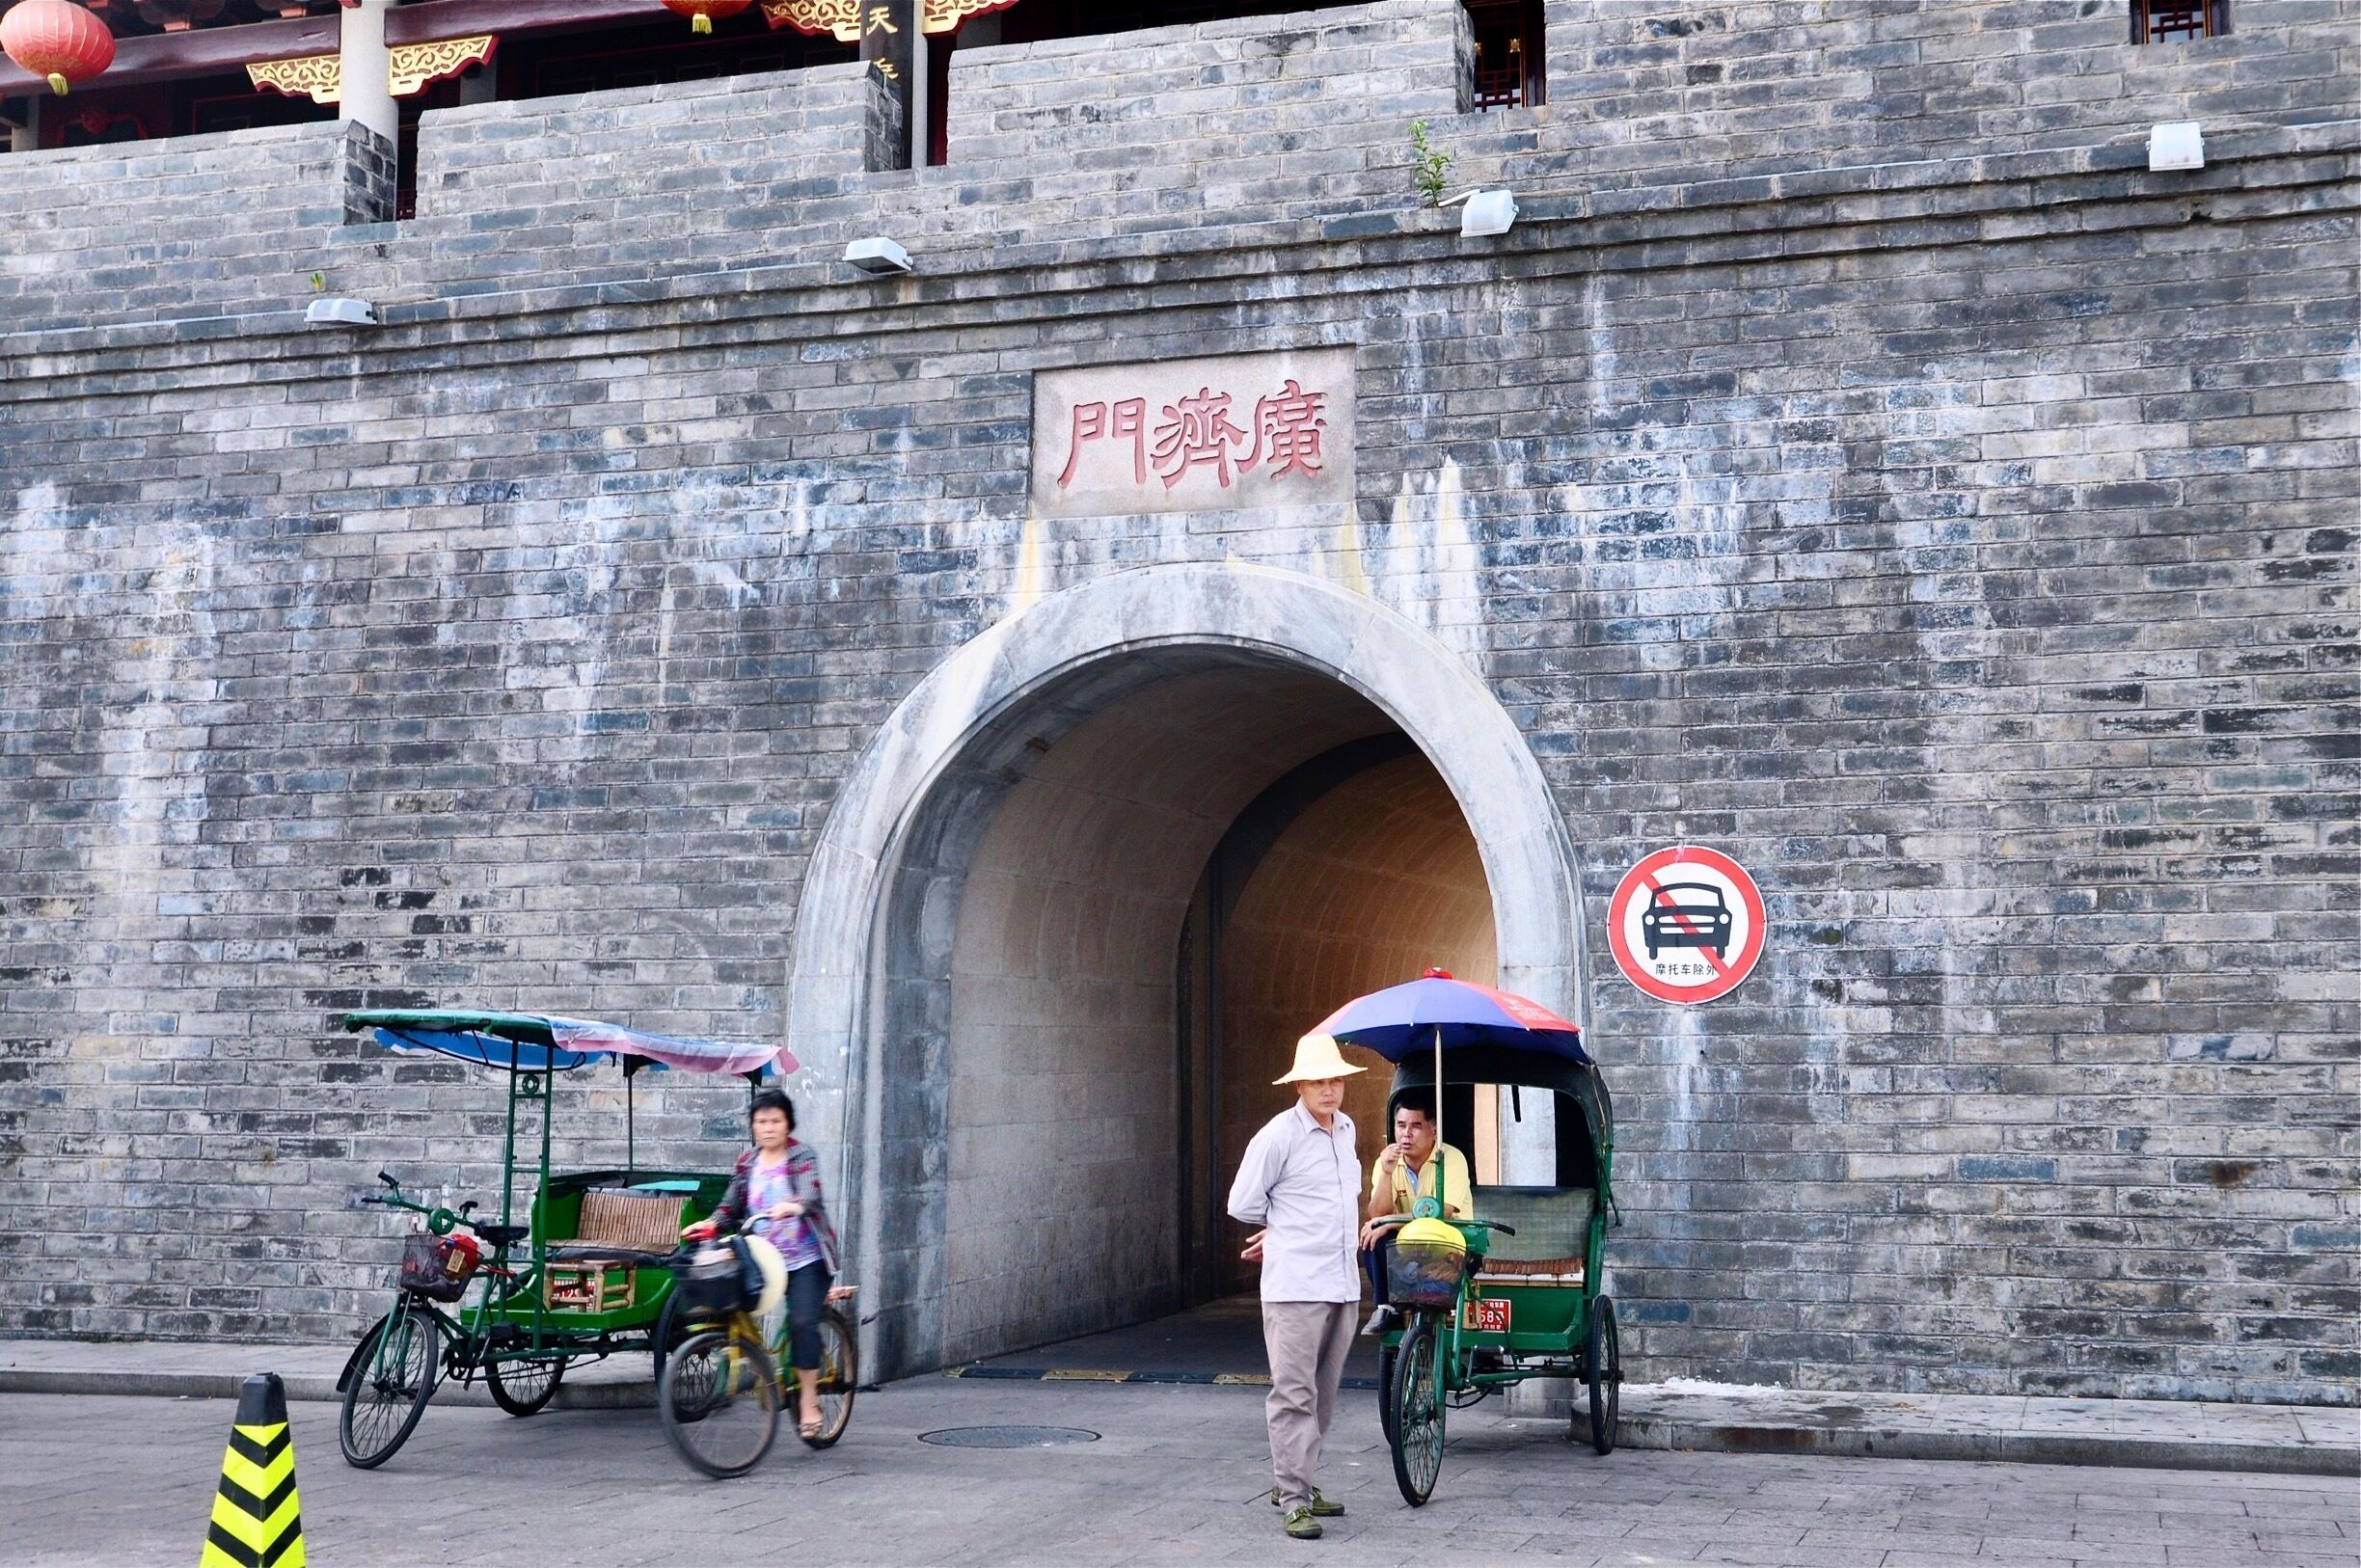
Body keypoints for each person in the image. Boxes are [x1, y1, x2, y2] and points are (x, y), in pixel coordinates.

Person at [1227, 1033, 1365, 1541]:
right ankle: (1293, 1499)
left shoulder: (1346, 1129)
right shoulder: (1278, 1135)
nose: (1329, 1090)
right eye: (1318, 1081)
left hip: (1341, 1281)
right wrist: (1282, 1230)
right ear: (1299, 1086)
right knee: (1293, 1393)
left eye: (1335, 1080)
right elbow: (1242, 1202)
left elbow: (1339, 1200)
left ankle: (1298, 1482)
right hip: (1295, 1285)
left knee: (1323, 1394)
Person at [684, 1088, 841, 1440]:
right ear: (753, 1127)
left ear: (788, 1124)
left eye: (775, 1121)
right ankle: (756, 1365)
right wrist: (709, 1224)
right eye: (761, 1121)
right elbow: (730, 1207)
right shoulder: (747, 1162)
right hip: (761, 1259)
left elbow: (810, 1192)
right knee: (726, 1304)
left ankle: (811, 1401)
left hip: (806, 1259)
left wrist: (794, 1205)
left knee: (802, 1322)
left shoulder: (801, 1155)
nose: (768, 1128)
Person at [1357, 1091, 1473, 1338]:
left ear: (1434, 1131)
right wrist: (1387, 1173)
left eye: (1416, 1126)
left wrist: (1390, 1221)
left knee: (1381, 1226)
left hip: (1452, 1246)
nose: (1406, 1134)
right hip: (1408, 1247)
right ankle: (1385, 1308)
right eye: (1401, 1126)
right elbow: (1378, 1213)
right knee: (1372, 1234)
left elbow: (1442, 1211)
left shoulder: (1451, 1158)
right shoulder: (1387, 1161)